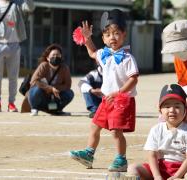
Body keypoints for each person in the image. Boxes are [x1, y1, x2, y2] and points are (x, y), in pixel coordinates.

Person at [70, 9, 139, 172]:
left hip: (122, 100)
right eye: (108, 34)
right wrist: (87, 39)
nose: (112, 37)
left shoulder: (128, 57)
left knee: (116, 131)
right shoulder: (104, 54)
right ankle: (88, 154)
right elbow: (93, 52)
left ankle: (121, 159)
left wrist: (119, 92)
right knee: (94, 126)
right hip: (106, 100)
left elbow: (134, 78)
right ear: (103, 38)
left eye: (116, 33)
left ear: (124, 34)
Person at [127, 84, 187, 180]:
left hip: (184, 168)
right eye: (167, 106)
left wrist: (176, 176)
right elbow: (152, 155)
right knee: (132, 168)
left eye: (177, 106)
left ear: (185, 110)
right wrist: (157, 176)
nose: (172, 110)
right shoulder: (156, 129)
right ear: (160, 110)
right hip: (160, 168)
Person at [0, 0, 35, 112]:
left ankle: (11, 103)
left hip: (14, 44)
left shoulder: (17, 4)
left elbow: (31, 7)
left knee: (13, 76)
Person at [161, 19, 187, 133]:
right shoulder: (178, 60)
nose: (177, 54)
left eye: (180, 50)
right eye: (174, 51)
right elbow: (184, 81)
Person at [28, 44, 74, 116]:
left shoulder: (64, 68)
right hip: (42, 93)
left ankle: (56, 110)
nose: (55, 57)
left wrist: (56, 89)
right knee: (36, 90)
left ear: (61, 57)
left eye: (58, 55)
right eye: (53, 55)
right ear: (48, 58)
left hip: (55, 95)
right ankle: (35, 108)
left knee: (69, 93)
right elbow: (34, 81)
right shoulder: (44, 65)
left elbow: (68, 85)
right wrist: (50, 88)